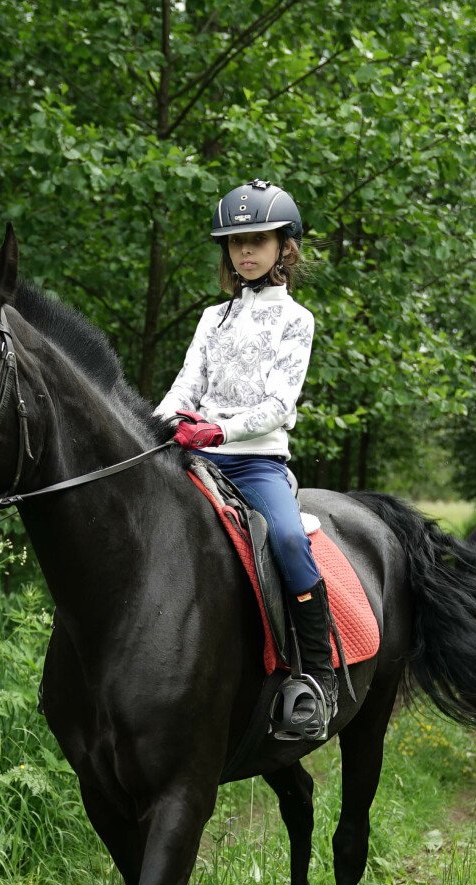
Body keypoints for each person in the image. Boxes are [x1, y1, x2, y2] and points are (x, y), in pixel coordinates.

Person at [152, 179, 334, 740]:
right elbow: (185, 389)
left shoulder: (296, 320)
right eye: (235, 243)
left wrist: (219, 429)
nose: (245, 252)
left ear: (285, 247)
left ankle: (318, 679)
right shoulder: (214, 318)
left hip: (255, 465)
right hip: (195, 458)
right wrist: (149, 427)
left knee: (284, 538)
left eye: (258, 240)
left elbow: (280, 405)